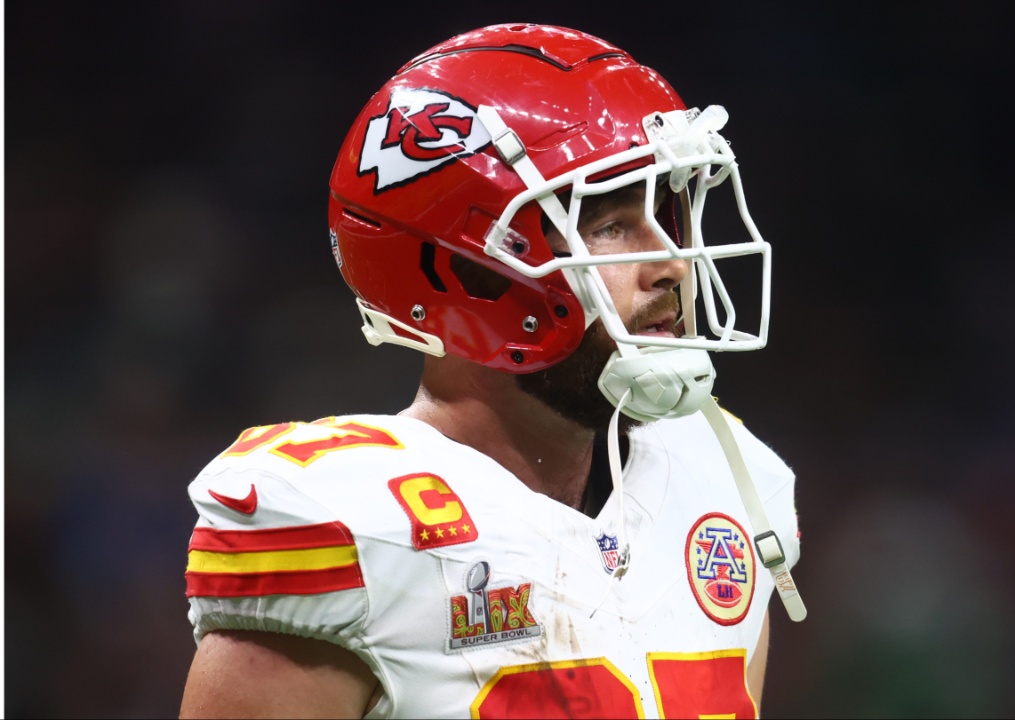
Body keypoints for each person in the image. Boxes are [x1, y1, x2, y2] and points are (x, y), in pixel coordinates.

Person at [179, 23, 804, 719]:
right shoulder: (348, 522)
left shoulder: (718, 480)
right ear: (470, 270)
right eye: (608, 226)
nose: (672, 266)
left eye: (666, 214)